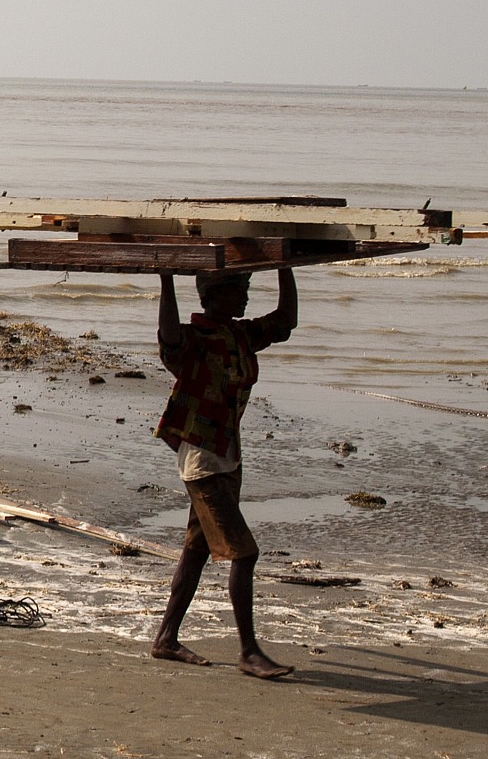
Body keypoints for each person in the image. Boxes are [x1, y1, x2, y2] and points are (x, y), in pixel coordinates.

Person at [151, 266, 298, 680]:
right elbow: (169, 340)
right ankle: (249, 652)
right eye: (238, 289)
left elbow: (285, 321)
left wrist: (285, 264)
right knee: (244, 552)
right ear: (213, 296)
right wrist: (165, 278)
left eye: (247, 287)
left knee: (196, 550)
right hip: (202, 462)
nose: (246, 296)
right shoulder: (194, 340)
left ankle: (165, 639)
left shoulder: (239, 335)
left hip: (228, 458)